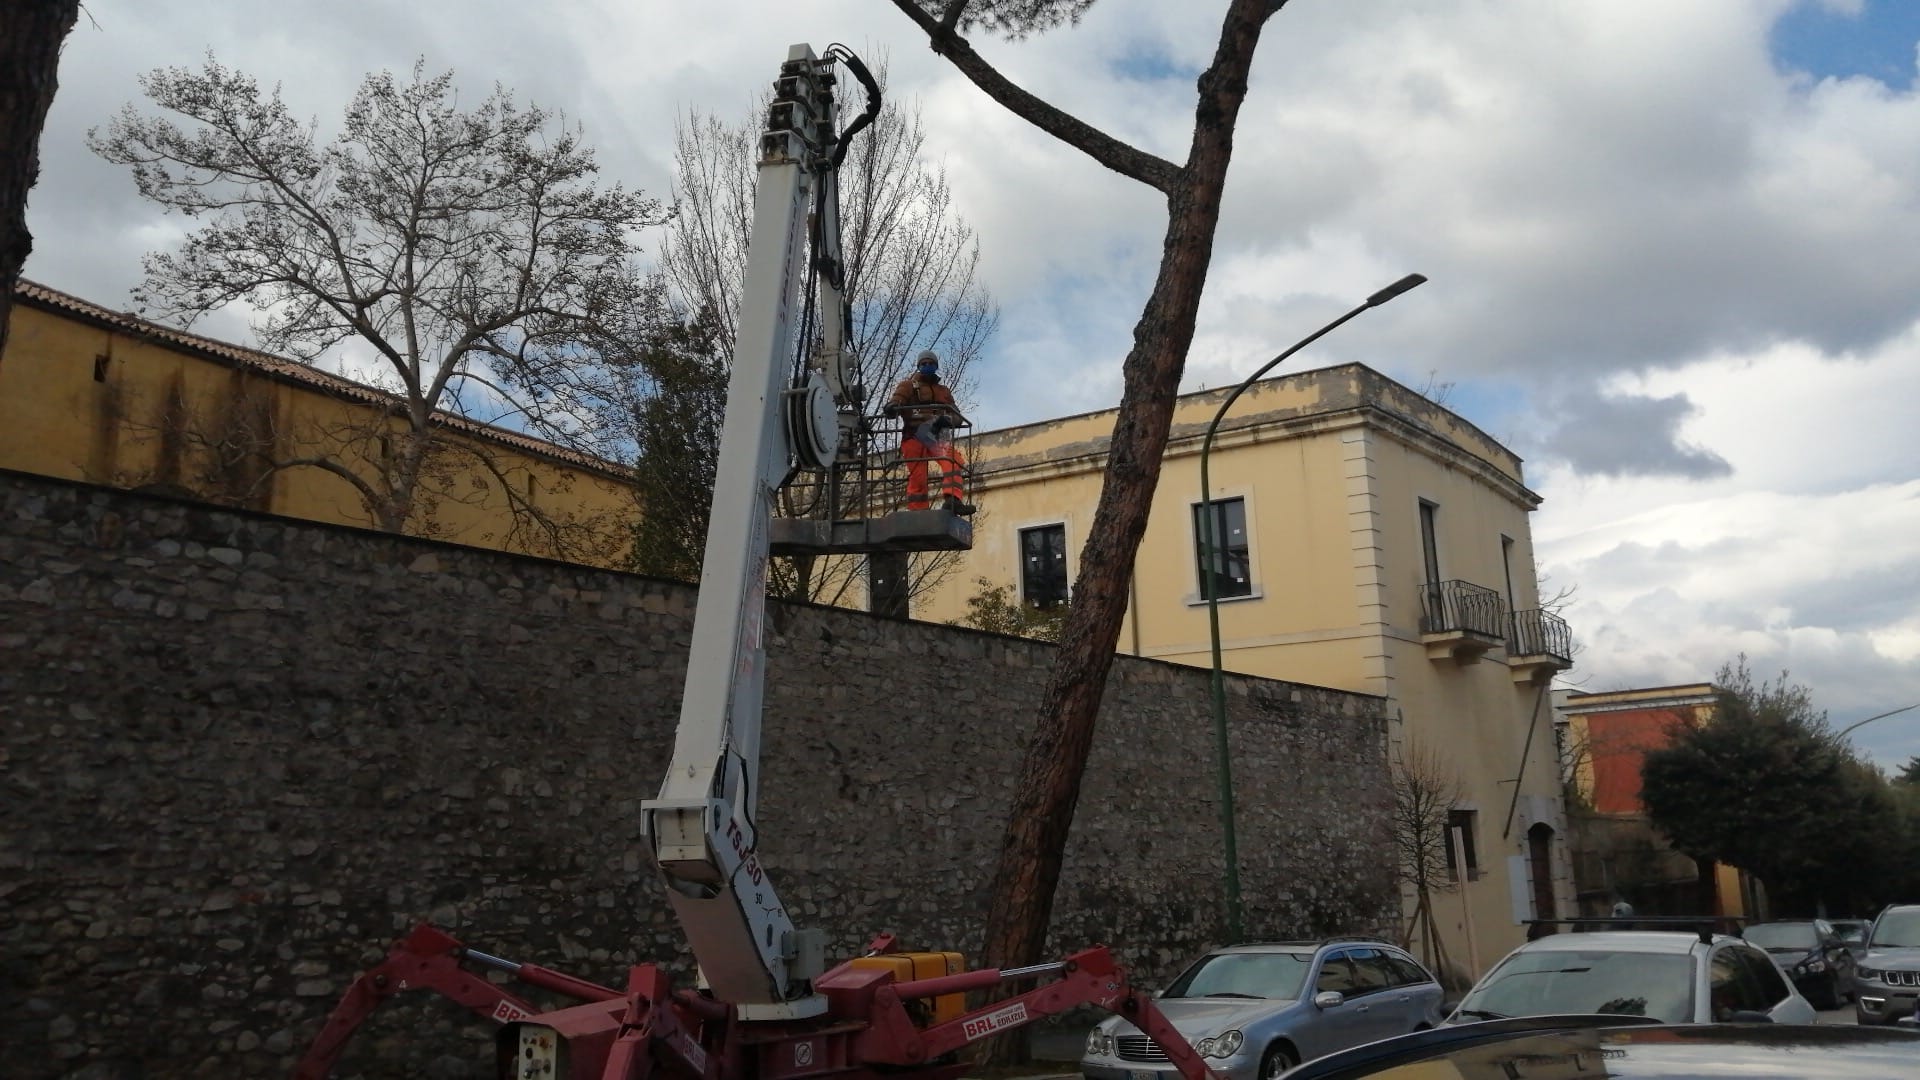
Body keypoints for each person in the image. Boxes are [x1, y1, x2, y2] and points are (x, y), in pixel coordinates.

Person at [886, 350, 970, 514]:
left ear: (936, 366)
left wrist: (947, 420)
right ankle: (918, 513)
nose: (927, 366)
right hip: (913, 435)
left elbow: (957, 416)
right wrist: (892, 407)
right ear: (918, 366)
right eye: (924, 364)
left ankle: (953, 500)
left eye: (930, 363)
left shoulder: (943, 391)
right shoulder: (908, 386)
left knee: (952, 460)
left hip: (934, 435)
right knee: (918, 478)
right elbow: (897, 400)